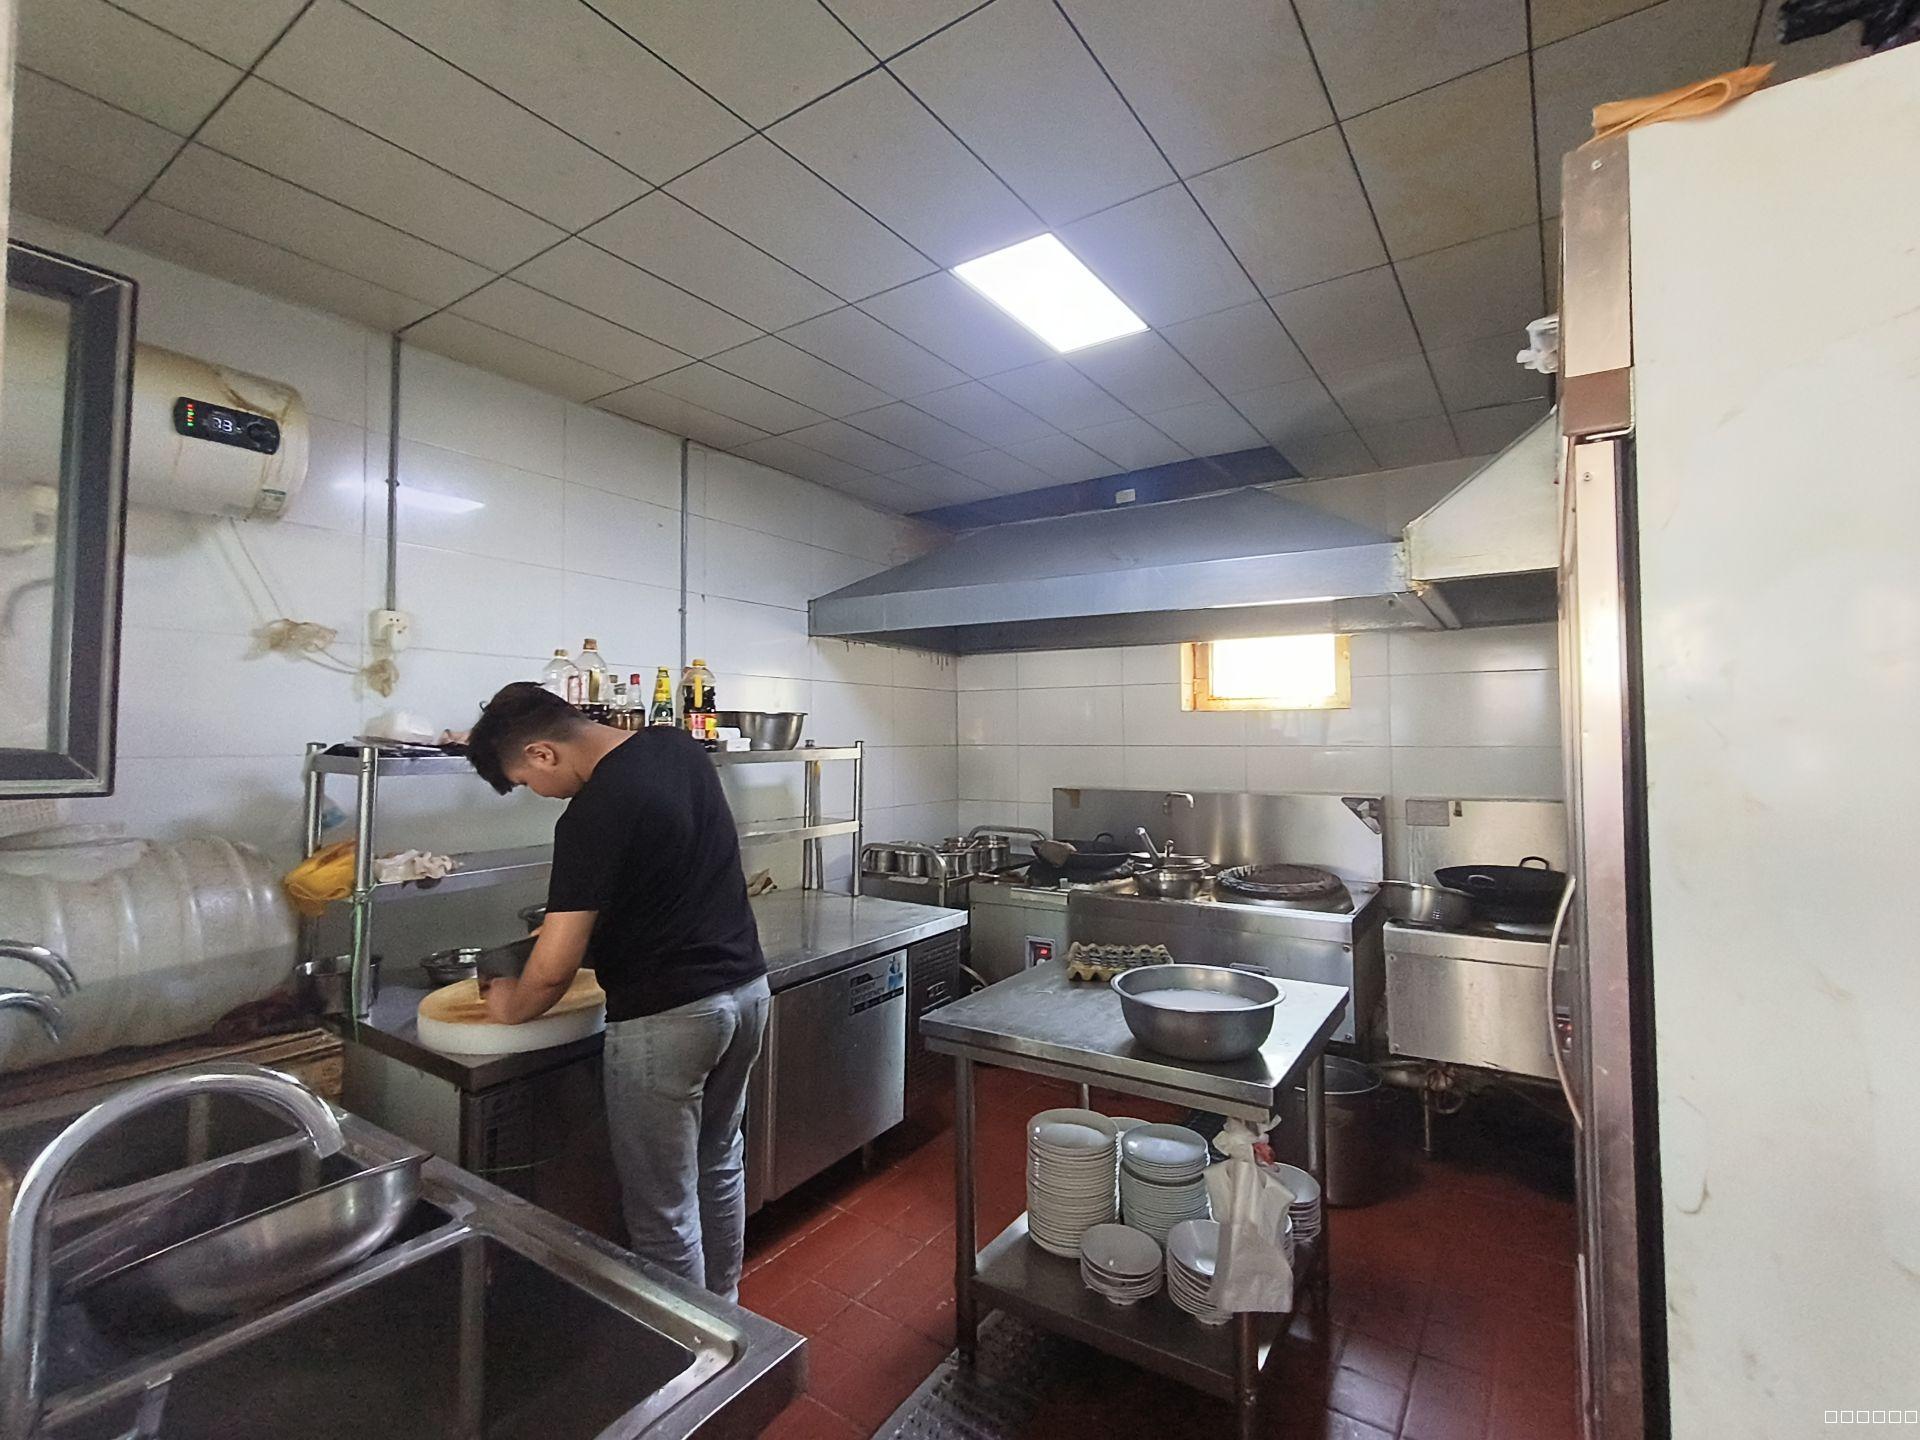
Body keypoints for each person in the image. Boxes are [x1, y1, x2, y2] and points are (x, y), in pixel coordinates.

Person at [464, 682, 768, 1301]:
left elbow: (552, 971)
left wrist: (509, 1005)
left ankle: (690, 1343)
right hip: (746, 993)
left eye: (525, 780)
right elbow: (661, 874)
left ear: (543, 753)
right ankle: (727, 1313)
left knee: (662, 1206)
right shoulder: (677, 748)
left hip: (668, 1018)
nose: (538, 791)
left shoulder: (590, 815)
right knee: (718, 1162)